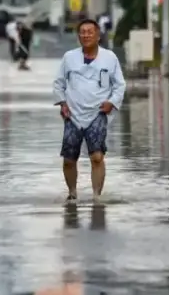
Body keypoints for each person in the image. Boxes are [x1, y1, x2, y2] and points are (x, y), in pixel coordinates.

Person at [53, 19, 126, 202]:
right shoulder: (69, 57)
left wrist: (112, 102)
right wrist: (62, 103)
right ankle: (72, 193)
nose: (86, 35)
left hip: (98, 112)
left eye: (90, 32)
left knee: (97, 157)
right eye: (82, 32)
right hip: (73, 114)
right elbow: (58, 83)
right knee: (69, 159)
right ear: (78, 36)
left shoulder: (110, 58)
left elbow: (119, 85)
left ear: (98, 35)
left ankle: (96, 197)